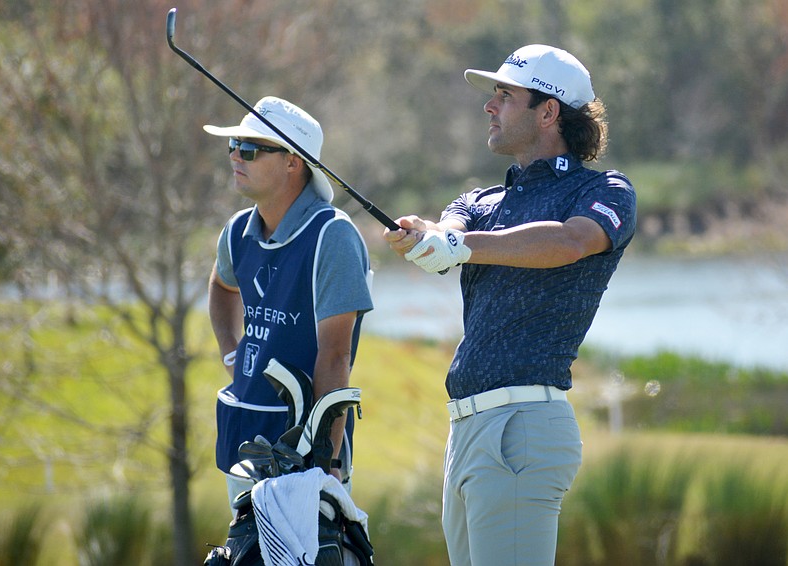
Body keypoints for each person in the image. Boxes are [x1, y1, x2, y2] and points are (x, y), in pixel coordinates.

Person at [383, 45, 636, 565]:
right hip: (466, 430)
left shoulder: (602, 191)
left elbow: (571, 241)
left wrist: (462, 246)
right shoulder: (479, 202)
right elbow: (448, 231)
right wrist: (425, 238)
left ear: (548, 112)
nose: (489, 106)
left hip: (521, 425)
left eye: (506, 95)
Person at [205, 96, 374, 509]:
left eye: (249, 149)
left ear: (292, 163)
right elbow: (221, 289)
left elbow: (336, 356)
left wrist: (327, 463)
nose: (235, 157)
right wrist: (233, 353)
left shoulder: (332, 235)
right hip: (243, 438)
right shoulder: (236, 230)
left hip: (302, 450)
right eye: (233, 147)